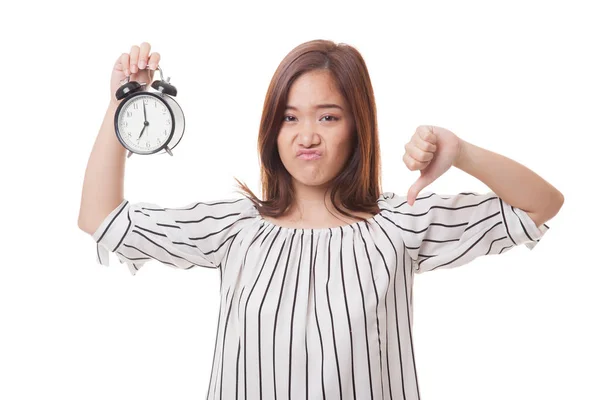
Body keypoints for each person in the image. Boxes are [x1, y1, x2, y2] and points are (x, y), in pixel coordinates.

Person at [78, 40, 563, 400]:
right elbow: (102, 219)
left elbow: (541, 204)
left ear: (358, 127)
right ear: (272, 129)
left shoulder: (399, 223)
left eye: (328, 117)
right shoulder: (235, 227)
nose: (307, 134)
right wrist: (124, 103)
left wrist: (460, 151)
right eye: (290, 118)